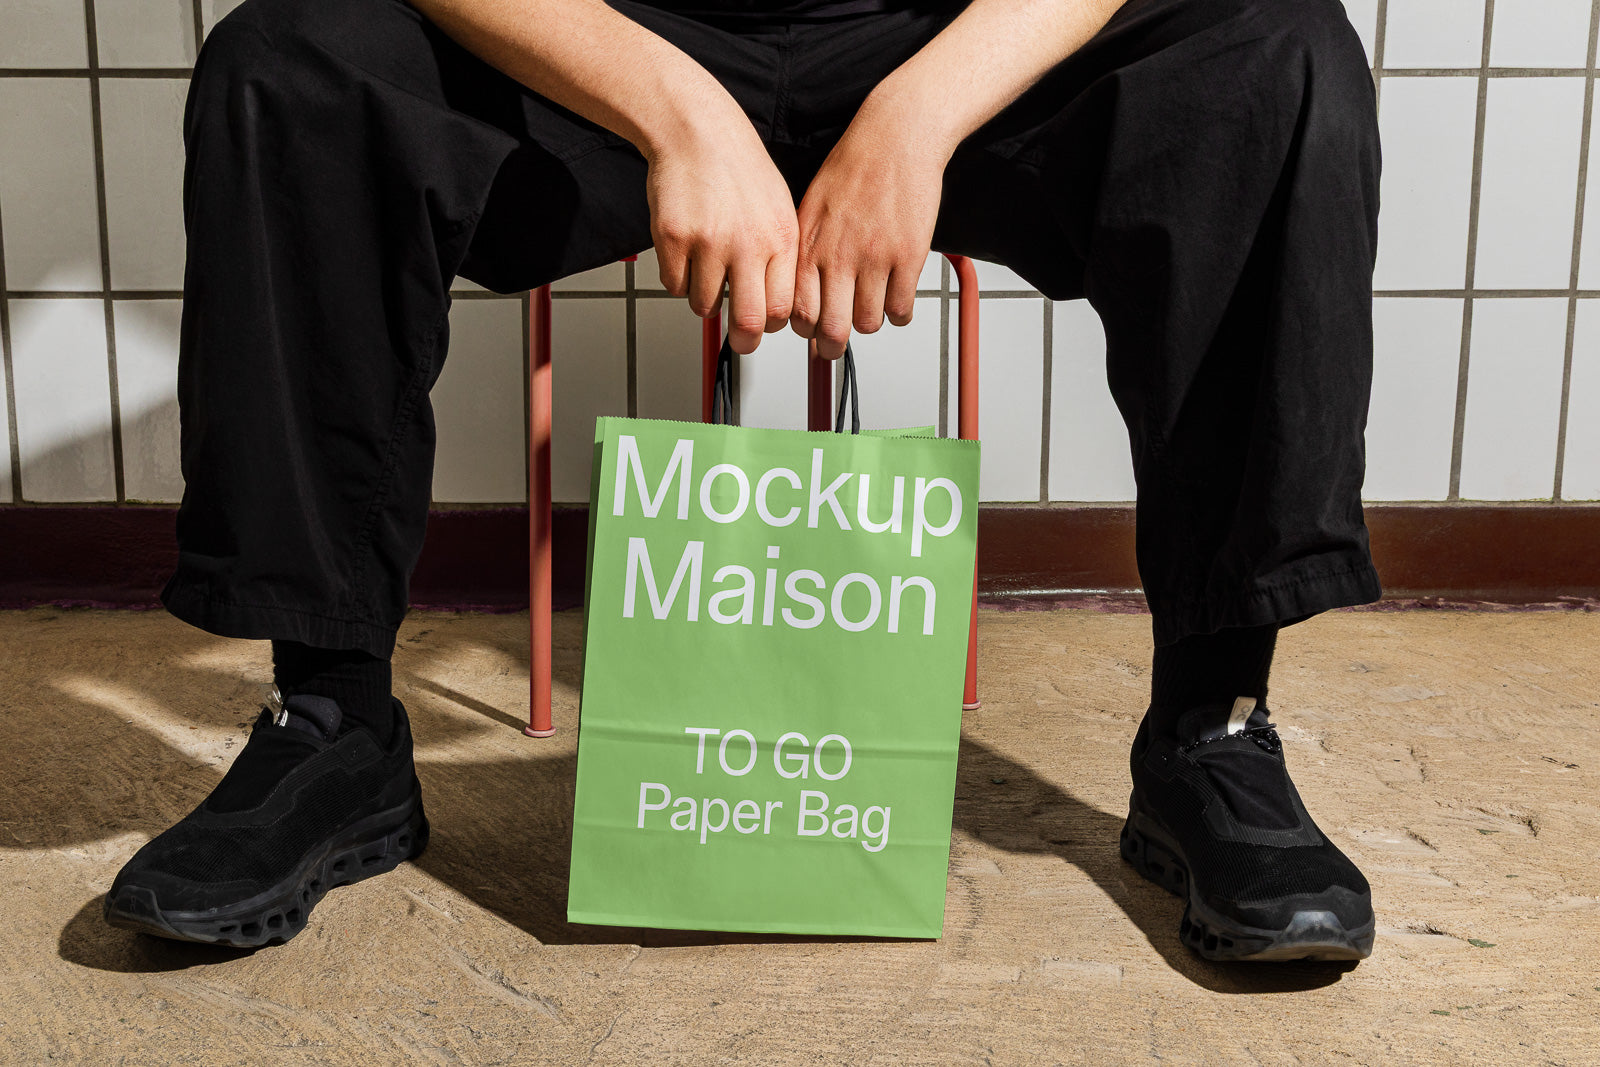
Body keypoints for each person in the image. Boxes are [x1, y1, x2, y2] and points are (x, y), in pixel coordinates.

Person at [104, 0, 1382, 963]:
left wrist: (913, 117)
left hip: (958, 44)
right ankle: (332, 727)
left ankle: (1210, 728)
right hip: (605, 40)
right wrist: (681, 110)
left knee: (1277, 49)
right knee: (289, 58)